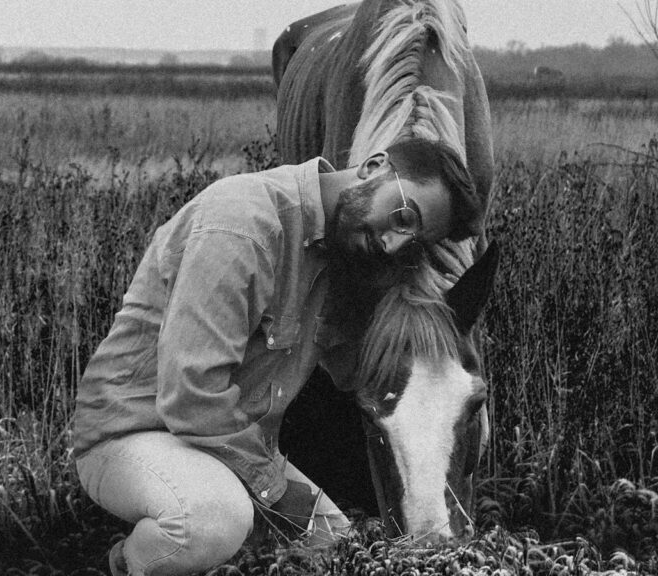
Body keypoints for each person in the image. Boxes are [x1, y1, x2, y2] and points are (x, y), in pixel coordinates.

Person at [70, 137, 482, 576]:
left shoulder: (346, 254)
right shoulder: (242, 224)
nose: (393, 243)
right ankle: (121, 565)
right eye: (404, 216)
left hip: (220, 445)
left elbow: (359, 375)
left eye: (413, 241)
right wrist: (276, 491)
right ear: (374, 166)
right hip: (132, 434)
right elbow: (190, 395)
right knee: (213, 521)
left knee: (336, 544)